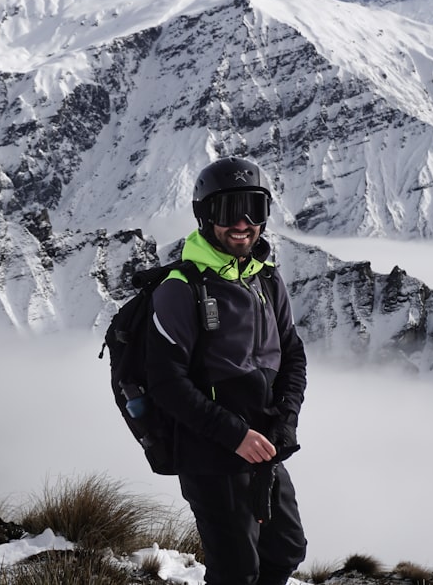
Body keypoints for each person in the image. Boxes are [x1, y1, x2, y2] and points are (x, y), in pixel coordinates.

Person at [146, 156, 308, 585]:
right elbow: (167, 384)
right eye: (226, 210)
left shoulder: (267, 281)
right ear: (204, 217)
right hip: (209, 452)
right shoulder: (180, 290)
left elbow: (292, 354)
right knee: (236, 570)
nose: (241, 223)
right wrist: (234, 435)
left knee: (287, 549)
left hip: (265, 443)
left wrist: (286, 419)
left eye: (253, 208)